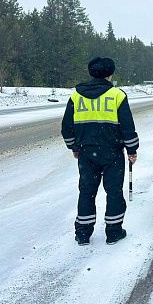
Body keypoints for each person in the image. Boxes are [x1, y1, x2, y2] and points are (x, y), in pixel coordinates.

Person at [61, 57, 139, 245]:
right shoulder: (117, 95)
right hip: (112, 152)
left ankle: (83, 234)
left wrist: (73, 147)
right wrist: (132, 149)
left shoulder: (76, 96)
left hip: (86, 153)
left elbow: (66, 127)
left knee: (86, 192)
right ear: (110, 74)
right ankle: (113, 232)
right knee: (114, 192)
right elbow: (127, 126)